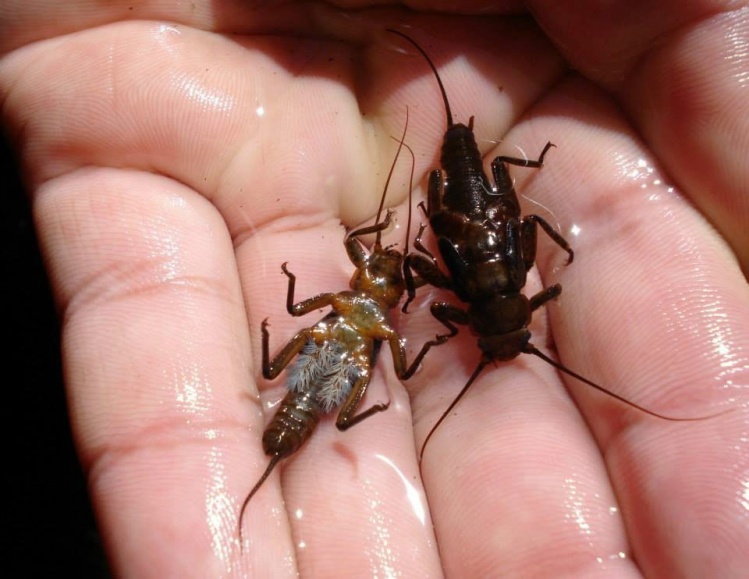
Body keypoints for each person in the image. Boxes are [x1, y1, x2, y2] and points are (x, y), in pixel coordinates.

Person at [2, 2, 746, 576]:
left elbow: (426, 286)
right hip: (448, 241)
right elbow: (436, 289)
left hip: (444, 244)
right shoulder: (419, 315)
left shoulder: (440, 302)